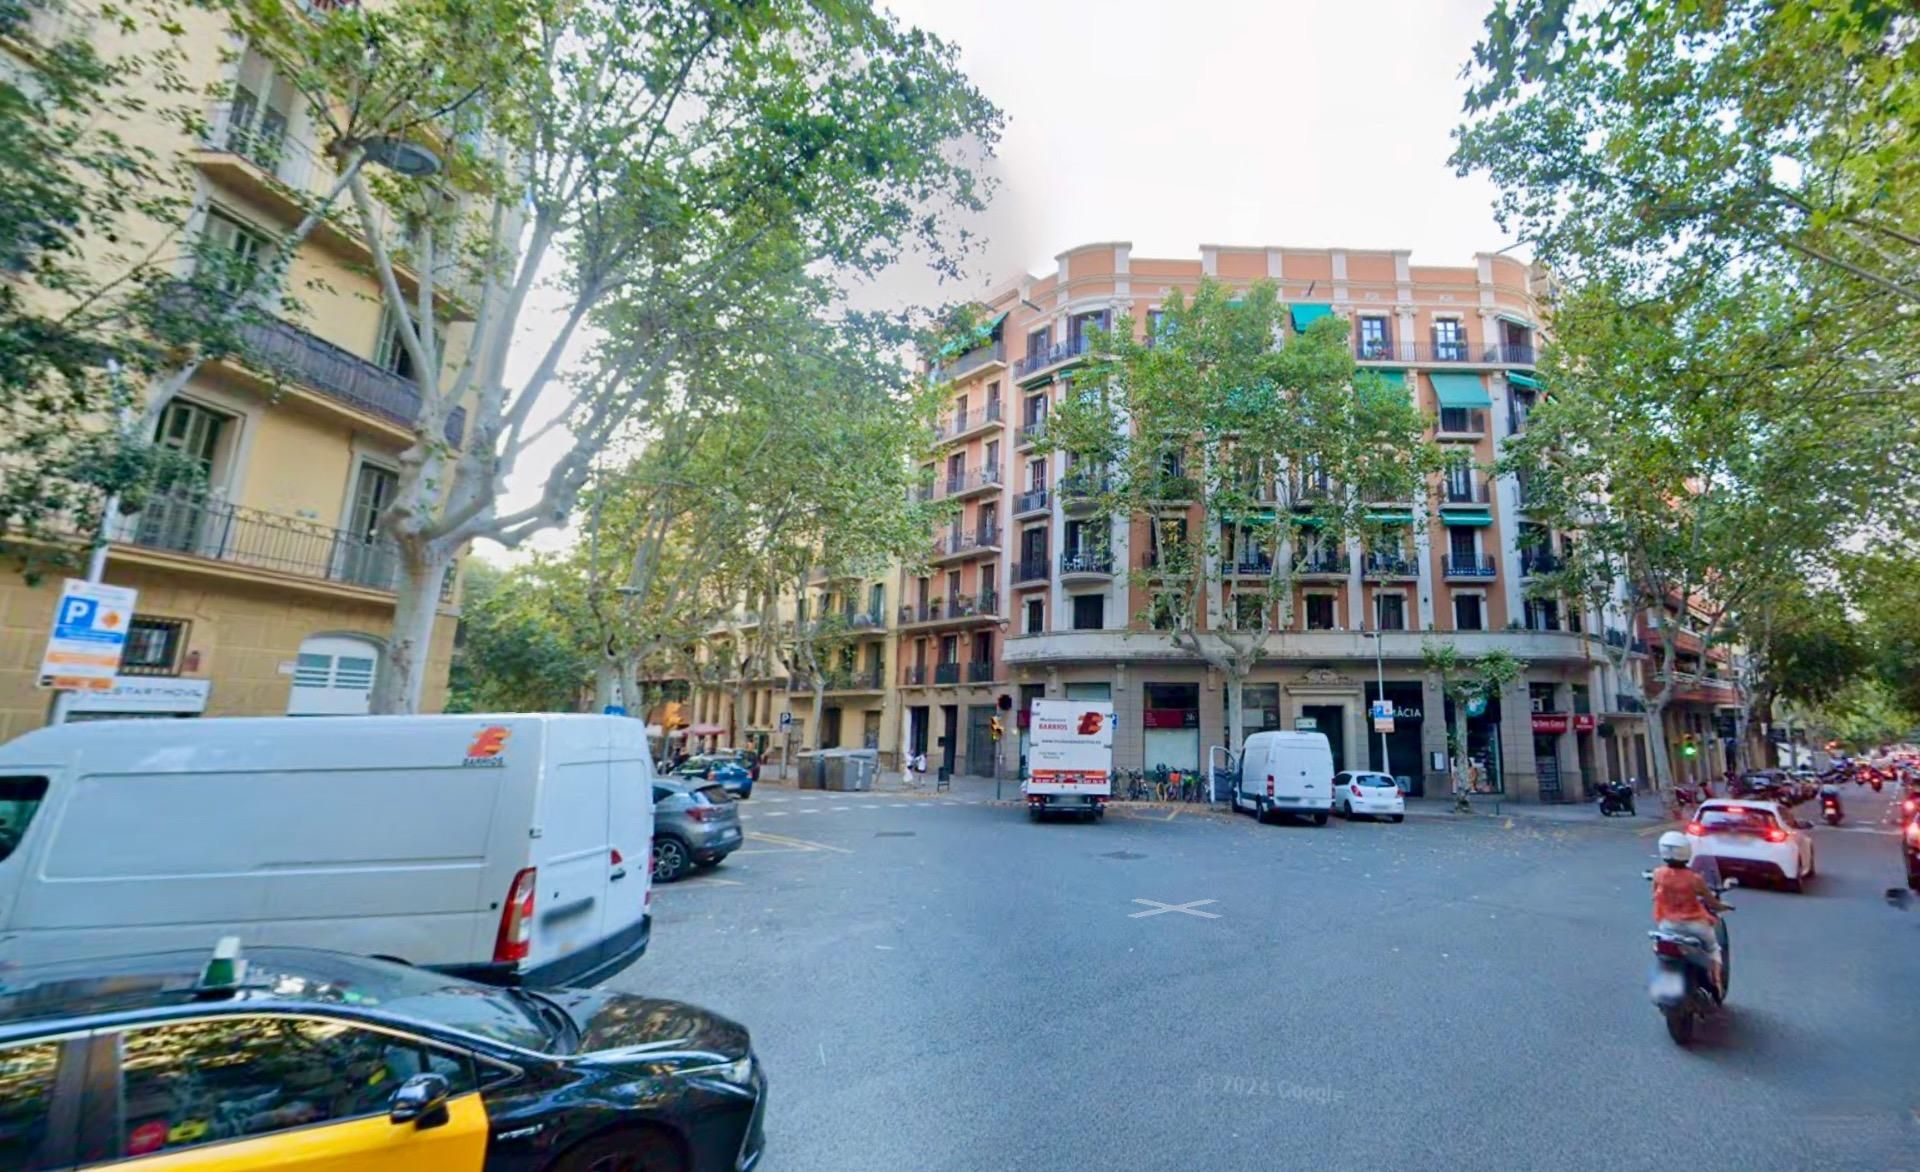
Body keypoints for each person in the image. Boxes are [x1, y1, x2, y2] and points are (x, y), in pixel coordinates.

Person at [1652, 830, 1730, 993]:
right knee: (1713, 948)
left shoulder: (1658, 874)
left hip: (1668, 925)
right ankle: (1717, 982)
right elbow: (1712, 902)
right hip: (1695, 925)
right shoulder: (1695, 879)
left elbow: (1654, 896)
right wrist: (1723, 906)